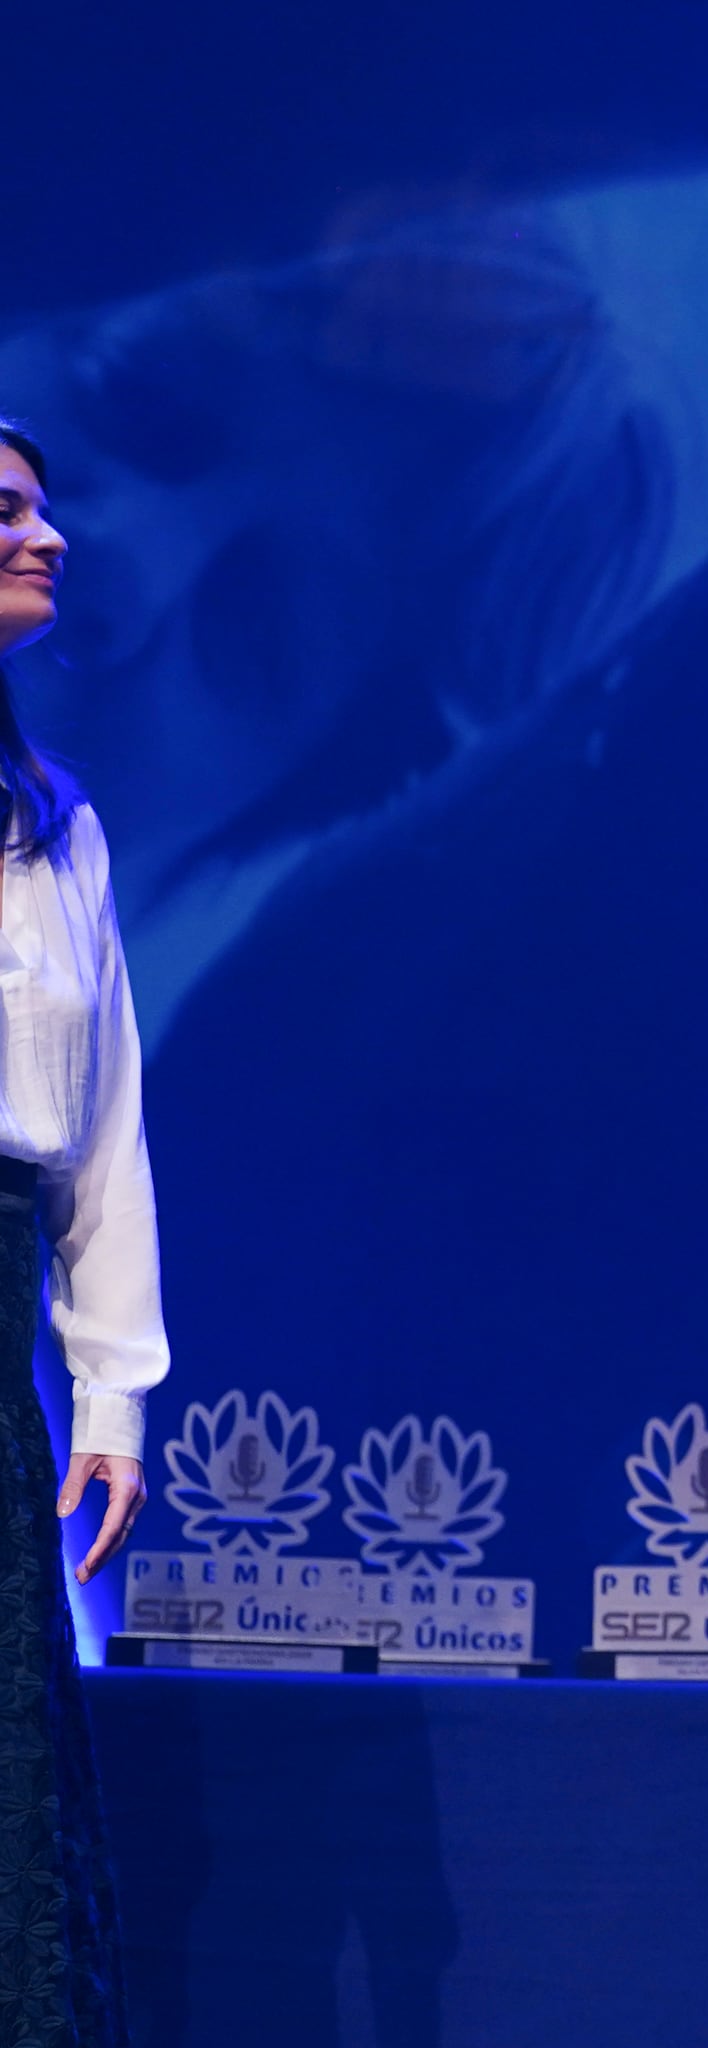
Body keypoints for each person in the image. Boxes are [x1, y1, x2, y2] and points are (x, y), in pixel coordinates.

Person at [0, 417, 163, 2045]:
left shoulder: (58, 832)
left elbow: (101, 1144)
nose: (45, 538)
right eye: (5, 513)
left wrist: (109, 1394)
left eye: (46, 511)